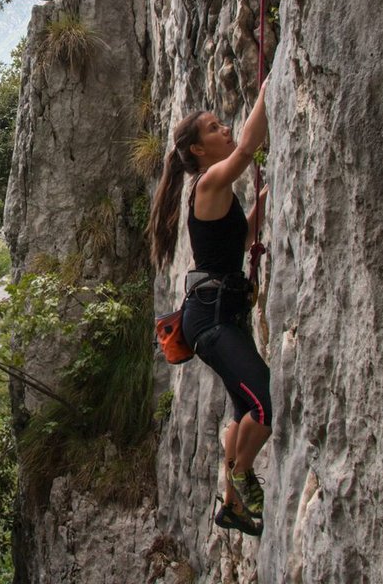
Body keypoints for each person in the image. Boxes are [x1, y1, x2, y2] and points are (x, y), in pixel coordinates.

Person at [147, 80, 271, 537]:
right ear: (199, 149)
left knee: (242, 413)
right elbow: (245, 151)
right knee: (264, 402)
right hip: (212, 319)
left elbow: (234, 244)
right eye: (216, 128)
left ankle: (232, 505)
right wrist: (266, 93)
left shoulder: (215, 189)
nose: (226, 131)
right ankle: (241, 474)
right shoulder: (212, 179)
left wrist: (259, 207)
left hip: (217, 314)